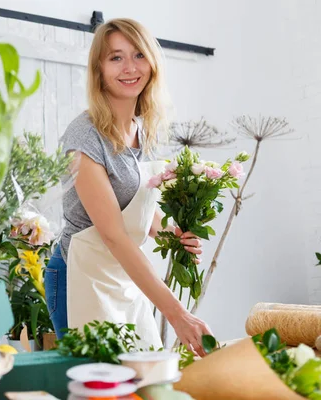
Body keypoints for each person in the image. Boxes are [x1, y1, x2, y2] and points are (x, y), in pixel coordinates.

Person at [44, 18, 213, 357]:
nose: (130, 67)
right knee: (102, 384)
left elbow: (140, 214)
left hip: (124, 276)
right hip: (81, 275)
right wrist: (177, 314)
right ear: (99, 69)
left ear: (152, 61)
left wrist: (171, 235)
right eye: (116, 57)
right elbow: (114, 234)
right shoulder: (84, 137)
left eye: (138, 55)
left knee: (143, 376)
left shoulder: (144, 130)